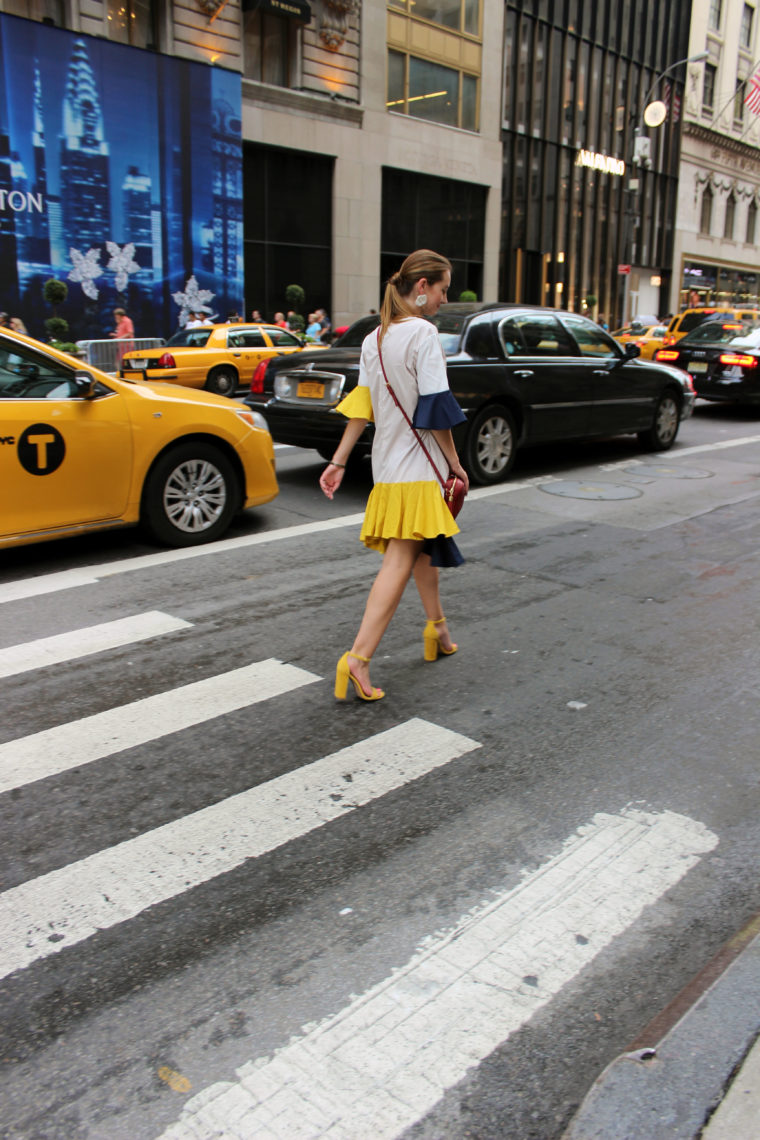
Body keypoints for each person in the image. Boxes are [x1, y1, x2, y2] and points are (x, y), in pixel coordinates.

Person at [319, 248, 469, 702]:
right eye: (442, 289)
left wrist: (339, 460)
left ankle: (437, 630)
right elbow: (435, 409)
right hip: (419, 467)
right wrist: (457, 464)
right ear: (422, 288)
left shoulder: (374, 338)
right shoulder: (423, 333)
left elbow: (362, 408)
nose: (445, 298)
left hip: (386, 468)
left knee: (424, 551)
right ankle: (359, 658)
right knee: (400, 561)